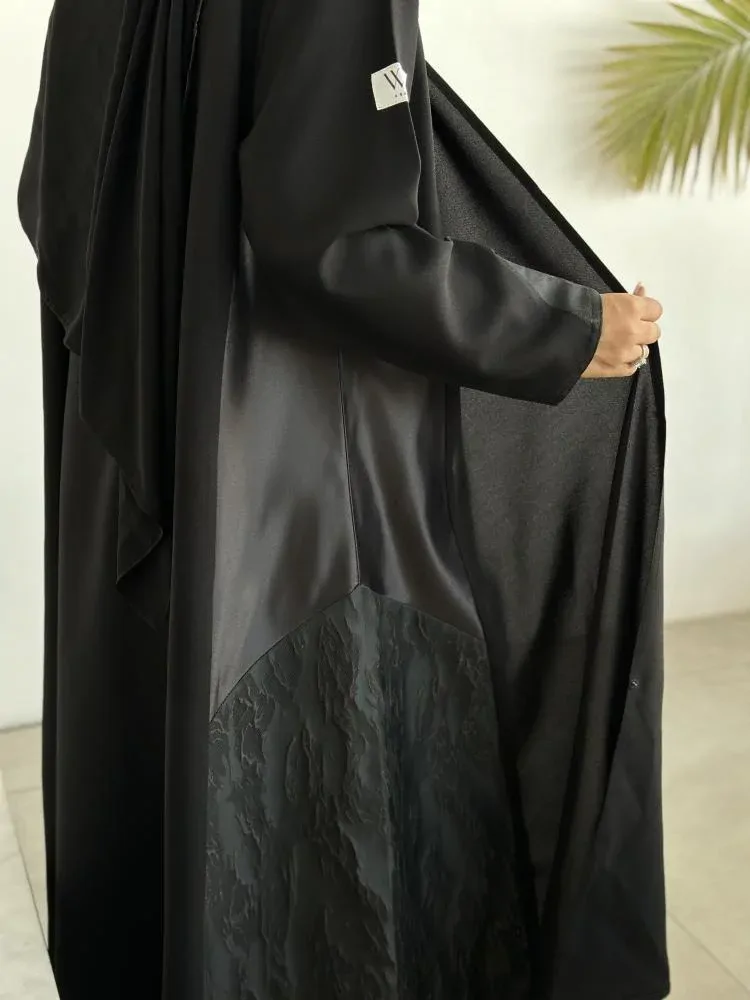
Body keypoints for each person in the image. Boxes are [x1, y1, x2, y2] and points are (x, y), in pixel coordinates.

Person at [18, 1, 667, 998]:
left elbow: (51, 194)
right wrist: (565, 327)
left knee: (167, 824)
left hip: (132, 466)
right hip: (285, 496)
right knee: (316, 851)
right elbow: (338, 246)